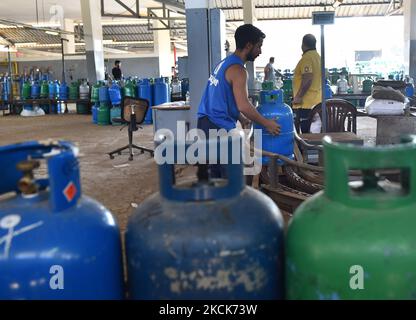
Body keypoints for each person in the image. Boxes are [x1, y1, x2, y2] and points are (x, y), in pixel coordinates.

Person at [197, 24, 281, 178]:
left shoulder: (225, 63)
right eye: (258, 46)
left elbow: (223, 97)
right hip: (218, 127)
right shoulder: (239, 70)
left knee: (211, 175)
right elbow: (243, 104)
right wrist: (267, 123)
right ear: (248, 45)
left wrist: (241, 118)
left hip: (205, 122)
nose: (260, 51)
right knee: (228, 178)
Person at [292, 34, 322, 133]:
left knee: (306, 134)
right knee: (314, 133)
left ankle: (306, 149)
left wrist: (299, 96)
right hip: (317, 101)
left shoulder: (307, 58)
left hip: (306, 103)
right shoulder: (318, 58)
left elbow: (308, 78)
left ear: (303, 45)